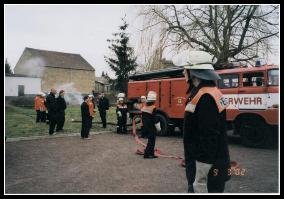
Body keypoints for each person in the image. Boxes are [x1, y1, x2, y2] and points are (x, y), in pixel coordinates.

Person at [173, 51, 231, 193]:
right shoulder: (210, 91)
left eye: (185, 69)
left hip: (208, 168)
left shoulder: (205, 97)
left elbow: (209, 137)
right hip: (213, 163)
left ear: (193, 72)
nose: (183, 73)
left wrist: (201, 175)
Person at [141, 91, 161, 159]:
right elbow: (155, 119)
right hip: (151, 127)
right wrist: (158, 128)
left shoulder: (144, 107)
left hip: (146, 126)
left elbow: (143, 118)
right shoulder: (153, 107)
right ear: (153, 100)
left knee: (151, 140)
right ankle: (146, 154)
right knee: (151, 141)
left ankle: (151, 154)